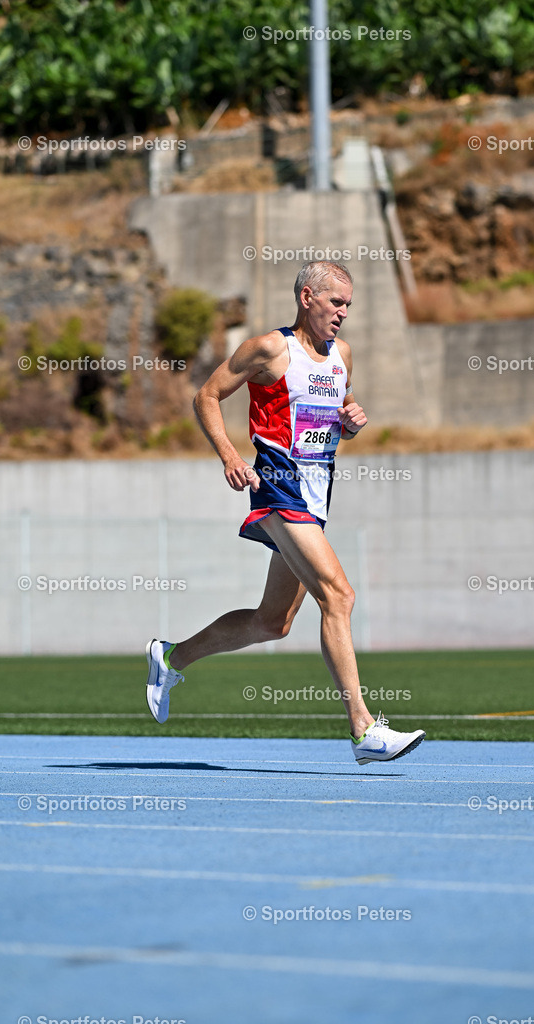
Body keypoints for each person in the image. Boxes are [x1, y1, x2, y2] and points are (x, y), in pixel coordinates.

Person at [145, 260, 425, 765]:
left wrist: (351, 421)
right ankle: (364, 730)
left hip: (316, 496)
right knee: (339, 596)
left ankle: (170, 657)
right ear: (307, 298)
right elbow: (207, 396)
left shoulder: (342, 355)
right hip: (278, 485)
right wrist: (230, 457)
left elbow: (339, 414)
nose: (343, 313)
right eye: (335, 302)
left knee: (273, 623)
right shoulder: (269, 349)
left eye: (348, 305)